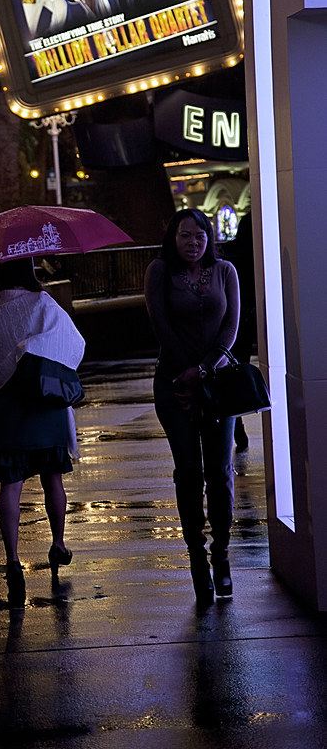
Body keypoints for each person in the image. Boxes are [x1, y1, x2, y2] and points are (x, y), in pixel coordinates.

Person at [144, 209, 240, 605]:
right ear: (174, 237)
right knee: (189, 471)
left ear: (209, 238)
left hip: (218, 383)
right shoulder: (159, 272)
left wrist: (201, 370)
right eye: (185, 235)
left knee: (219, 471)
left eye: (200, 235)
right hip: (173, 384)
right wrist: (185, 373)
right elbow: (160, 324)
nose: (193, 242)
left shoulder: (226, 271)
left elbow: (232, 326)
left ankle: (221, 555)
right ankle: (196, 559)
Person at [0, 257, 85, 607]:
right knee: (53, 479)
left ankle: (12, 561)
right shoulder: (43, 302)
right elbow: (73, 343)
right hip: (44, 402)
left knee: (11, 485)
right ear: (29, 269)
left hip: (10, 405)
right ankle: (58, 543)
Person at [225, 213, 257, 451]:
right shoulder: (260, 253)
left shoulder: (231, 255)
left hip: (238, 320)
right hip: (254, 314)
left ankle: (236, 423)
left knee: (235, 371)